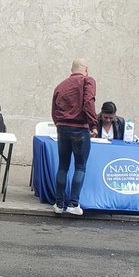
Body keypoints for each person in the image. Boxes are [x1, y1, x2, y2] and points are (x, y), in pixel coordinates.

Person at [51, 58, 97, 216]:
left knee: (63, 166)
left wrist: (59, 124)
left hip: (63, 128)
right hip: (80, 129)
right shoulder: (87, 81)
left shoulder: (61, 85)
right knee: (80, 166)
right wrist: (93, 124)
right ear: (86, 68)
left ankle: (58, 204)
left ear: (72, 70)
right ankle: (73, 204)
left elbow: (54, 108)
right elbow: (88, 102)